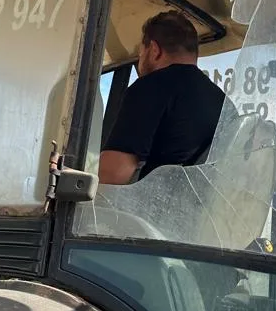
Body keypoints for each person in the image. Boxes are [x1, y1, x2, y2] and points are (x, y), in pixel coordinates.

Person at [98, 10, 229, 185]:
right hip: (196, 209)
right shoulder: (223, 102)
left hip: (146, 208)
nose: (139, 61)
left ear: (153, 49)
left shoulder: (150, 87)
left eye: (140, 54)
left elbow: (113, 174)